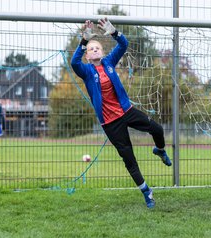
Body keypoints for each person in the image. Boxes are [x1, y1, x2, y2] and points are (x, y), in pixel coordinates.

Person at [71, 18, 172, 209]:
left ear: (102, 51)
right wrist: (84, 40)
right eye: (91, 49)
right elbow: (73, 62)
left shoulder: (109, 61)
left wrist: (113, 31)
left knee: (157, 128)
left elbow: (123, 44)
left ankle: (159, 150)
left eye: (97, 47)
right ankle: (146, 192)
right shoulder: (85, 70)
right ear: (87, 55)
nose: (94, 50)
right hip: (110, 123)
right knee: (129, 159)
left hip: (126, 111)